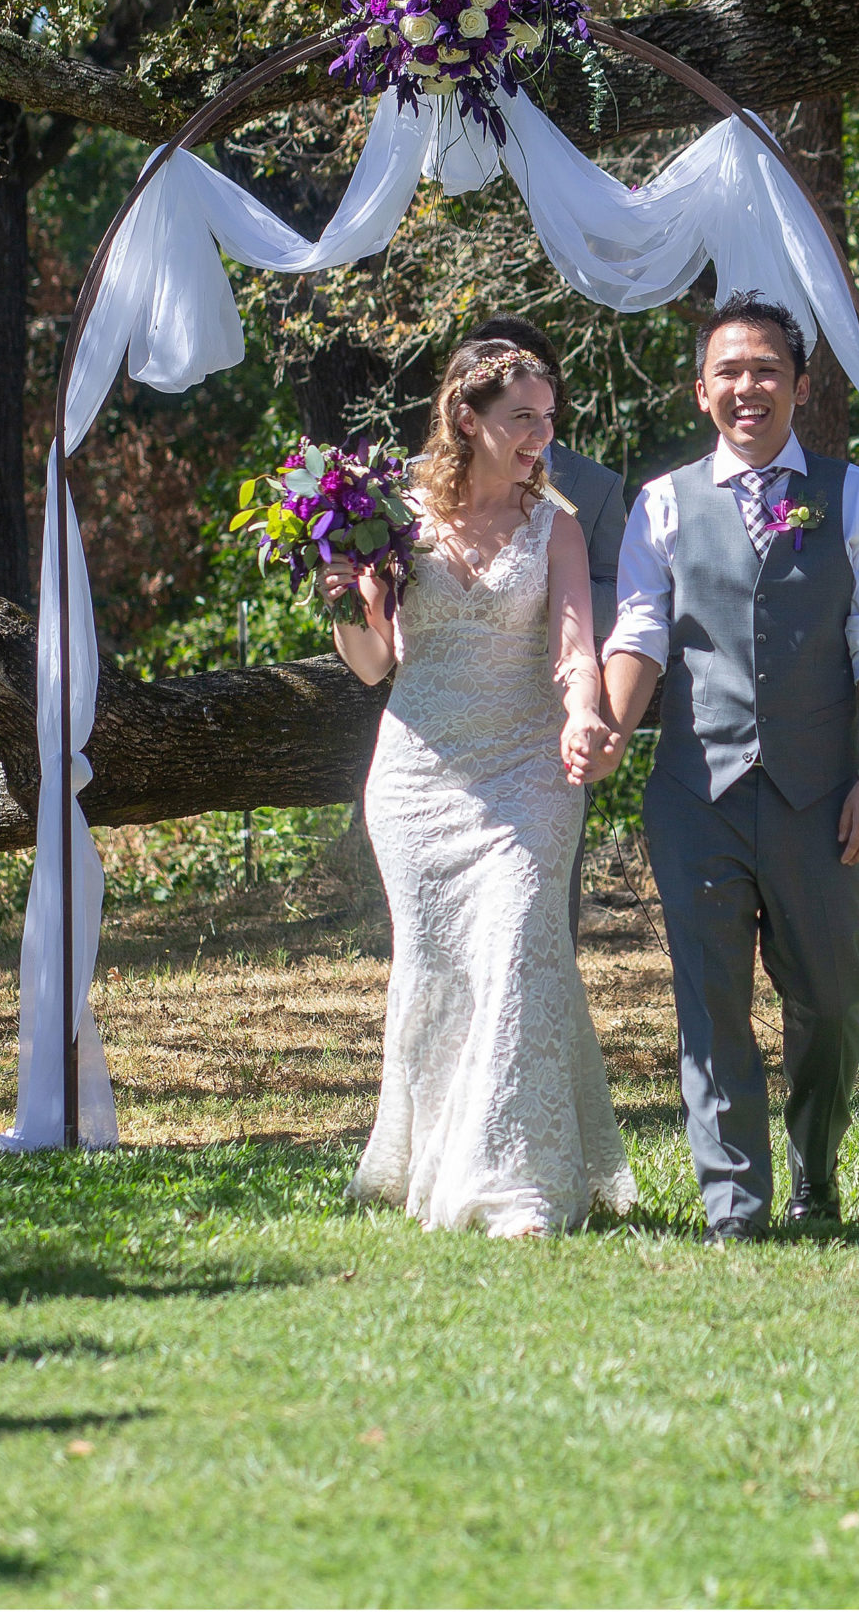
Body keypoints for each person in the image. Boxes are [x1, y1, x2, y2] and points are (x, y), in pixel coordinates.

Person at [593, 291, 859, 1240]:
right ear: (701, 390)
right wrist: (609, 727)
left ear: (800, 386)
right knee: (711, 1002)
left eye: (766, 369)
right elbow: (640, 631)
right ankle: (735, 1203)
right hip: (699, 794)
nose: (747, 386)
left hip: (823, 793)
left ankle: (817, 1169)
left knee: (834, 1000)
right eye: (728, 371)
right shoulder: (662, 503)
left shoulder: (853, 496)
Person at [321, 339, 636, 1234]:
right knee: (439, 966)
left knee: (519, 943)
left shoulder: (557, 526)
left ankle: (516, 1187)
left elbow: (575, 650)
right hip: (419, 779)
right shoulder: (395, 521)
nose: (542, 435)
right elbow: (374, 662)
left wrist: (585, 713)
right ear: (467, 418)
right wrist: (344, 596)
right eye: (522, 418)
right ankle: (433, 1155)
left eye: (548, 417)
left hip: (530, 770)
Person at [468, 314, 628, 945]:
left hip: (549, 712)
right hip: (453, 713)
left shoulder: (596, 487)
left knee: (540, 901)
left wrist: (549, 599)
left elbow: (621, 590)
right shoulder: (409, 487)